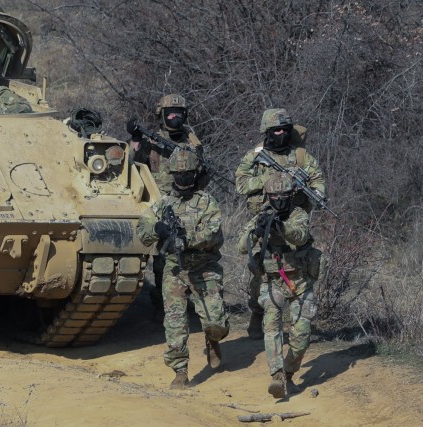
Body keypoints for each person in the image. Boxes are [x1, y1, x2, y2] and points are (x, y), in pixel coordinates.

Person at [137, 148, 229, 390]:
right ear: (172, 174)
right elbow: (142, 230)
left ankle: (213, 339)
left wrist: (187, 239)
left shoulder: (207, 202)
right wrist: (157, 229)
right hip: (175, 269)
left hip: (204, 266)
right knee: (175, 322)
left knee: (216, 323)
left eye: (188, 173)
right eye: (179, 173)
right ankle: (180, 370)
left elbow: (213, 232)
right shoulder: (163, 204)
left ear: (195, 173)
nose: (183, 178)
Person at [235, 108, 325, 340]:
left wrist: (310, 189)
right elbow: (241, 184)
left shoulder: (302, 157)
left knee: (299, 268)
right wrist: (270, 179)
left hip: (293, 219)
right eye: (276, 130)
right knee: (262, 273)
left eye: (285, 129)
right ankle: (258, 311)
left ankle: (299, 321)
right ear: (267, 132)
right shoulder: (255, 156)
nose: (281, 134)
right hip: (264, 218)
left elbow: (318, 182)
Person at [127, 94, 205, 312]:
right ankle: (164, 303)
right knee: (163, 258)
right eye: (169, 113)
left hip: (190, 204)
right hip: (160, 205)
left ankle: (189, 300)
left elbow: (202, 177)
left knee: (191, 253)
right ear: (161, 115)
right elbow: (131, 164)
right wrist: (134, 137)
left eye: (179, 113)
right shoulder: (151, 141)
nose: (174, 117)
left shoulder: (193, 142)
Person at [248, 172, 319, 398]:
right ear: (267, 196)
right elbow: (242, 246)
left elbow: (299, 235)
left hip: (300, 281)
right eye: (274, 195)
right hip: (273, 281)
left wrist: (282, 229)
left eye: (284, 195)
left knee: (301, 336)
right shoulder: (261, 215)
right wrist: (257, 232)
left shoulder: (298, 214)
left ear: (291, 195)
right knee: (272, 327)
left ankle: (289, 373)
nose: (279, 199)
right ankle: (277, 376)